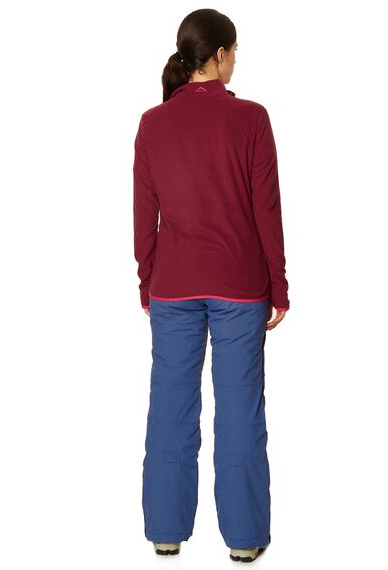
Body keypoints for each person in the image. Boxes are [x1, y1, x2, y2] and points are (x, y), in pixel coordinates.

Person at [132, 8, 290, 563]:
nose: (236, 60)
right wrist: (279, 285)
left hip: (172, 287)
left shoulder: (153, 123)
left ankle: (166, 532)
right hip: (239, 287)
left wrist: (147, 281)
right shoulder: (252, 119)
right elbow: (267, 211)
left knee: (170, 409)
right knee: (241, 411)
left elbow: (143, 215)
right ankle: (244, 539)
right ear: (219, 55)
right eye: (235, 51)